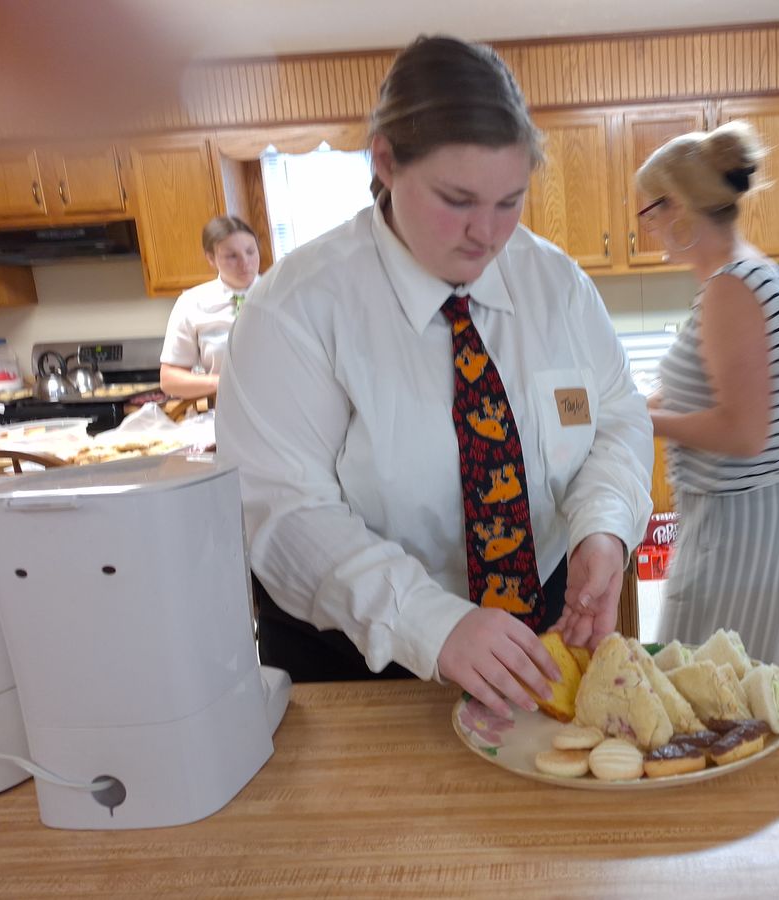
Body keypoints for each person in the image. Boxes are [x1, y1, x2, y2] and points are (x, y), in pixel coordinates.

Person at [215, 36, 653, 716]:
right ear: (386, 162)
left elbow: (614, 421)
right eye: (458, 199)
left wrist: (603, 523)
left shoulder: (556, 286)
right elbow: (284, 512)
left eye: (509, 201)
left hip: (535, 640)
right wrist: (432, 623)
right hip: (356, 670)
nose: (488, 233)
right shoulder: (294, 310)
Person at [637, 120, 779, 665]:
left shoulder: (731, 287)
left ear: (677, 207)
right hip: (763, 510)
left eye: (650, 213)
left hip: (742, 525)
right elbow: (716, 397)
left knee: (705, 679)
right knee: (775, 670)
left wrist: (644, 421)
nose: (649, 229)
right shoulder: (746, 273)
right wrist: (640, 407)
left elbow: (743, 432)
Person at [159, 215, 261, 400]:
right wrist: (224, 383)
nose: (245, 262)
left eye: (250, 251)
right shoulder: (191, 303)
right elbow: (169, 380)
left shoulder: (284, 295)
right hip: (225, 408)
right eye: (231, 256)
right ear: (211, 259)